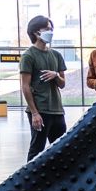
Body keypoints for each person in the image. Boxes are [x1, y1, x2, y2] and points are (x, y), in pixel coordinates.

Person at [20, 15, 67, 162]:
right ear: (36, 32)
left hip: (57, 110)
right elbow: (25, 86)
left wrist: (55, 75)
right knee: (37, 149)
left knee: (61, 149)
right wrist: (34, 113)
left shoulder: (56, 55)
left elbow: (62, 83)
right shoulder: (28, 56)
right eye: (47, 29)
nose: (50, 32)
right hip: (40, 110)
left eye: (52, 29)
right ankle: (29, 183)